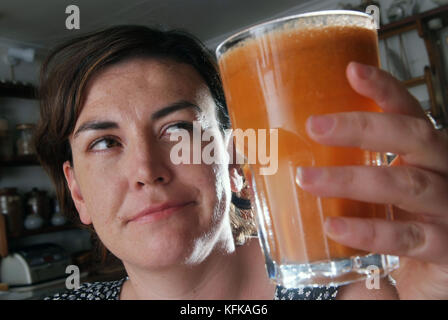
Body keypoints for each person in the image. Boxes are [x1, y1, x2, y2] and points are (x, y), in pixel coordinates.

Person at [34, 25, 448, 300]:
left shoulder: (361, 287)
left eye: (179, 130)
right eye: (106, 142)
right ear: (78, 192)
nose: (146, 171)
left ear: (233, 160)